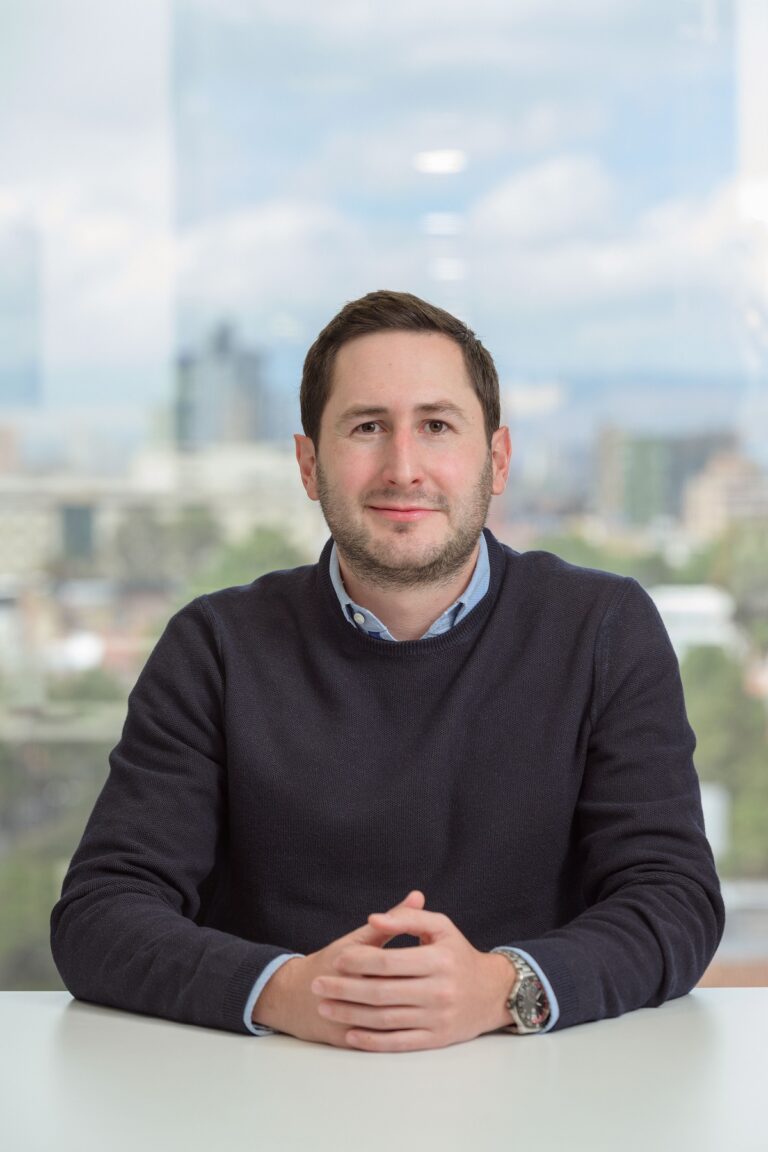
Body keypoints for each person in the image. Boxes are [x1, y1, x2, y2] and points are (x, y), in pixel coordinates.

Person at [50, 290, 725, 1052]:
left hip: (537, 1087)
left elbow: (675, 900)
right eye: (367, 427)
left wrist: (503, 987)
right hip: (268, 1088)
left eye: (437, 426)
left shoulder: (605, 631)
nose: (403, 469)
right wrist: (289, 991)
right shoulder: (213, 648)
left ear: (497, 459)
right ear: (309, 464)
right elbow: (100, 915)